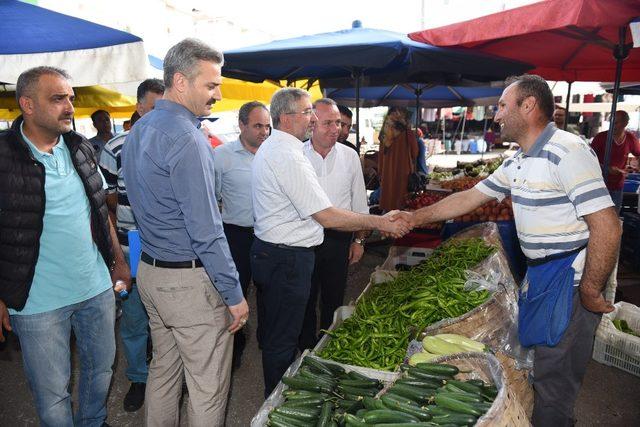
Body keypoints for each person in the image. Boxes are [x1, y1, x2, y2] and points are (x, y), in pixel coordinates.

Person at [406, 74, 621, 426]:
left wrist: (591, 288)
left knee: (554, 382)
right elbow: (469, 198)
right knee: (543, 368)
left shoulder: (567, 151)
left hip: (567, 281)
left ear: (529, 105)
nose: (497, 116)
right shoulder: (518, 160)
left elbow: (607, 225)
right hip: (541, 276)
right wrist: (415, 217)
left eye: (503, 106)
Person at [250, 87, 411, 397]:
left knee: (281, 330)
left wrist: (361, 235)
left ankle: (284, 389)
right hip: (287, 258)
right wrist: (380, 222)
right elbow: (326, 215)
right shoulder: (286, 154)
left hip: (279, 253)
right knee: (284, 337)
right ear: (287, 117)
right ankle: (278, 400)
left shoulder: (279, 148)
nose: (313, 119)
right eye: (308, 112)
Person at [121, 38, 249, 426]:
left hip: (152, 273)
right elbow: (207, 230)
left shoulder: (139, 130)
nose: (218, 94)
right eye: (211, 85)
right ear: (180, 81)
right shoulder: (188, 138)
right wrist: (234, 293)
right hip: (188, 282)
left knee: (163, 371)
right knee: (207, 388)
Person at [0, 66, 131, 426]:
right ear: (27, 104)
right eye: (58, 98)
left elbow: (98, 209)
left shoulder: (80, 148)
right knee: (53, 394)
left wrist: (117, 262)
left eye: (70, 97)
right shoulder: (4, 154)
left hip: (95, 288)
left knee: (101, 371)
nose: (70, 106)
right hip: (36, 302)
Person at [99, 78, 165, 412]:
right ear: (139, 106)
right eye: (155, 107)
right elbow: (106, 197)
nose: (160, 114)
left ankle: (166, 380)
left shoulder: (175, 142)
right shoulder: (116, 147)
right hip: (131, 247)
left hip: (168, 251)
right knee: (135, 318)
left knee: (167, 319)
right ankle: (139, 378)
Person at [299, 98, 369, 351]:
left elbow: (360, 203)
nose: (335, 128)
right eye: (328, 123)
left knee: (333, 297)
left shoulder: (350, 156)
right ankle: (306, 348)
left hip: (339, 239)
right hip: (304, 238)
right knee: (305, 297)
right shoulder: (297, 155)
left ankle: (328, 346)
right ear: (312, 124)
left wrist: (359, 241)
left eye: (338, 123)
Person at [214, 101, 271, 369]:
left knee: (269, 290)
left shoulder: (273, 153)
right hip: (235, 236)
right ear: (241, 125)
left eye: (267, 126)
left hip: (268, 235)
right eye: (258, 125)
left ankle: (267, 340)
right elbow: (211, 200)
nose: (264, 131)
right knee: (235, 293)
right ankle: (234, 349)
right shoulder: (221, 156)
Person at [590, 110, 640, 213]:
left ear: (625, 123)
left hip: (618, 186)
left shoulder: (630, 138)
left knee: (614, 216)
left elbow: (638, 153)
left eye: (616, 122)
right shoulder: (600, 137)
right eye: (611, 122)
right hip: (599, 185)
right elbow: (588, 159)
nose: (612, 125)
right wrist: (605, 168)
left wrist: (636, 165)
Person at [377, 107, 419, 211]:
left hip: (387, 174)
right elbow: (415, 152)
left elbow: (381, 155)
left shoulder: (385, 132)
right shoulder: (407, 132)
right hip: (403, 174)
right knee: (402, 205)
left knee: (388, 202)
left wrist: (380, 172)